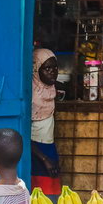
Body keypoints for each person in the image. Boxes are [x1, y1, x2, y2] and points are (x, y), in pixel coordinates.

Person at [31, 48, 62, 196]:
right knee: (40, 197)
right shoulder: (30, 95)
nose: (53, 72)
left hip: (49, 148)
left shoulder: (50, 89)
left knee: (52, 195)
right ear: (36, 70)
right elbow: (22, 133)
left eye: (55, 67)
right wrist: (44, 159)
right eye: (47, 68)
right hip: (36, 152)